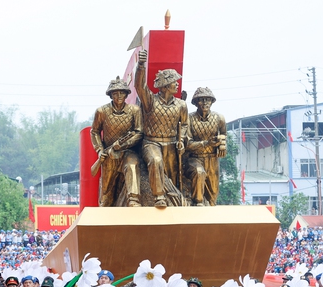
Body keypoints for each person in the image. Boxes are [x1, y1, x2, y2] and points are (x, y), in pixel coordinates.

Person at [136, 50, 188, 208]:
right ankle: (159, 197)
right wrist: (141, 65)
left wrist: (182, 140)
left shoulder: (181, 105)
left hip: (172, 144)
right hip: (151, 143)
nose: (177, 84)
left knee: (171, 177)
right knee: (155, 161)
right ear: (165, 86)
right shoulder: (150, 101)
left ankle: (177, 200)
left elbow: (184, 125)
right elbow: (139, 86)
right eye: (174, 81)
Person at [91, 77, 144, 207]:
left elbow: (139, 133)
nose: (119, 96)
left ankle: (133, 200)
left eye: (121, 93)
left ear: (126, 94)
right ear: (110, 95)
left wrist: (123, 145)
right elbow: (95, 132)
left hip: (128, 151)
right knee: (106, 190)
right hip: (109, 153)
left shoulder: (135, 111)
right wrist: (99, 150)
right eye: (115, 93)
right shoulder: (101, 111)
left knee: (132, 166)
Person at [185, 87, 227, 206]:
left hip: (212, 158)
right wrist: (206, 143)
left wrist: (222, 145)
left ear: (212, 101)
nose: (205, 103)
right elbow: (187, 144)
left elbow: (224, 135)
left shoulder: (219, 118)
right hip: (194, 158)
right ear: (195, 102)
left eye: (208, 100)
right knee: (199, 173)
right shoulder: (189, 119)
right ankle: (198, 203)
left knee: (213, 194)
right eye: (201, 100)